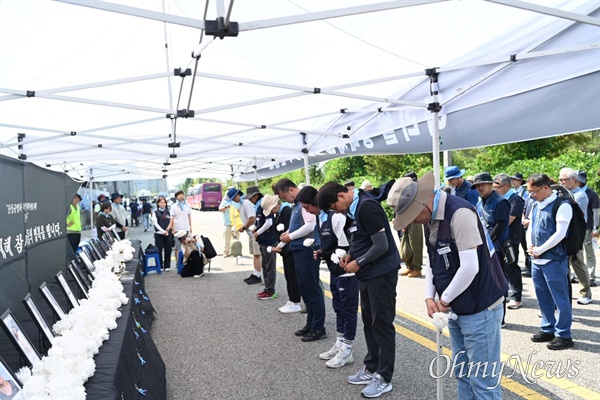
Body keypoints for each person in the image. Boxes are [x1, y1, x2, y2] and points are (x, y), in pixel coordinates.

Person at [388, 172, 507, 399]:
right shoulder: (429, 216)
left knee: (483, 381)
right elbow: (433, 261)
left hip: (480, 307)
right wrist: (429, 296)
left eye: (412, 215)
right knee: (462, 372)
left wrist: (443, 300)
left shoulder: (459, 213)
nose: (412, 221)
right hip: (456, 306)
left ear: (423, 203)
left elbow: (470, 267)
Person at [317, 180, 401, 399]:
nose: (336, 212)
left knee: (381, 323)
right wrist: (351, 255)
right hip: (368, 274)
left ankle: (384, 377)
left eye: (334, 208)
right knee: (370, 322)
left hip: (381, 274)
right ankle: (371, 368)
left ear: (341, 196)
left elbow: (382, 245)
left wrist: (359, 262)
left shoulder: (366, 206)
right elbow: (362, 239)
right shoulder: (355, 209)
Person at [299, 186, 359, 369]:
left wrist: (328, 253)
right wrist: (322, 252)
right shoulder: (321, 217)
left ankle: (347, 350)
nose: (307, 212)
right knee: (338, 308)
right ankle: (340, 344)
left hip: (346, 270)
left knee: (348, 310)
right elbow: (331, 244)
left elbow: (349, 245)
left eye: (308, 208)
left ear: (317, 203)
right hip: (334, 269)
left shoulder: (337, 216)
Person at [527, 173, 574, 350]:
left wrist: (540, 249)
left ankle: (564, 335)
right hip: (536, 260)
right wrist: (531, 247)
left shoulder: (562, 206)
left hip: (554, 260)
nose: (532, 195)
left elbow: (560, 233)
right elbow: (531, 227)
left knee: (560, 299)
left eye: (534, 191)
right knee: (543, 297)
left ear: (546, 188)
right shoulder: (536, 204)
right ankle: (548, 328)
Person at [276, 178, 326, 342]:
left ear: (291, 190)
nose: (285, 200)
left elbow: (310, 226)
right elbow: (297, 226)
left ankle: (318, 327)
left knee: (312, 289)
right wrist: (284, 240)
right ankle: (310, 323)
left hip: (307, 250)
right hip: (298, 249)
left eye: (284, 197)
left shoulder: (304, 202)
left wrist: (290, 236)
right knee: (304, 288)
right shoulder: (297, 205)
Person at [264, 194, 302, 313]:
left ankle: (295, 301)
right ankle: (292, 300)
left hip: (289, 248)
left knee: (292, 276)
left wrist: (280, 246)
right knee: (288, 275)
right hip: (285, 248)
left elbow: (288, 231)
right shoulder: (280, 212)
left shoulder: (286, 211)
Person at [559, 167, 592, 305]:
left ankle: (586, 293)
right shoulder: (562, 193)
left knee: (577, 261)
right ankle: (566, 292)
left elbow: (572, 211)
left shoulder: (580, 195)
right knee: (563, 263)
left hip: (576, 233)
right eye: (560, 179)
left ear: (573, 180)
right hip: (564, 232)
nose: (561, 182)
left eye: (564, 180)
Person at [493, 173, 525, 310]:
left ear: (507, 185)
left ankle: (517, 296)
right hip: (499, 240)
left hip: (510, 240)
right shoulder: (498, 199)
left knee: (511, 266)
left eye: (497, 187)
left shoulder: (515, 199)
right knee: (500, 268)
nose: (495, 189)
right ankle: (503, 295)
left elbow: (509, 219)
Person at [253, 190, 279, 300]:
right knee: (265, 266)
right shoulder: (261, 208)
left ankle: (270, 290)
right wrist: (256, 229)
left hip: (269, 241)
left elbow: (269, 223)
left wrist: (258, 232)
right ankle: (267, 288)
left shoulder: (268, 210)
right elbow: (259, 222)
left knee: (270, 267)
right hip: (263, 241)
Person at [399, 172, 424, 278]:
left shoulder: (418, 190)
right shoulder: (407, 190)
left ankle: (417, 268)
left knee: (415, 244)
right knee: (407, 243)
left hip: (415, 219)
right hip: (407, 219)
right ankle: (410, 267)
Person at [577, 170, 599, 287]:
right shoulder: (574, 192)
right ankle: (578, 275)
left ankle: (591, 276)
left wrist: (595, 227)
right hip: (576, 227)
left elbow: (596, 212)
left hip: (587, 227)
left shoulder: (592, 194)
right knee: (577, 252)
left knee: (589, 252)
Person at [152, 197, 174, 272]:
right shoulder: (155, 213)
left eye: (164, 202)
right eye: (161, 202)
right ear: (158, 203)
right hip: (158, 234)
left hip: (168, 233)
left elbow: (171, 222)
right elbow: (155, 223)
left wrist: (167, 230)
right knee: (159, 250)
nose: (163, 204)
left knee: (168, 249)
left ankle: (167, 266)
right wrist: (162, 231)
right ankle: (160, 266)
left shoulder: (169, 212)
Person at [172, 190, 193, 263]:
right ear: (176, 197)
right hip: (177, 230)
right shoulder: (174, 206)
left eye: (182, 194)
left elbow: (189, 216)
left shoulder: (186, 205)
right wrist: (173, 228)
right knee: (178, 248)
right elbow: (172, 218)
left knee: (187, 246)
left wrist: (190, 227)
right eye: (179, 195)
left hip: (186, 229)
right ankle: (178, 263)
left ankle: (186, 262)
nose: (181, 196)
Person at [219, 192, 235, 257]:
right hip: (227, 222)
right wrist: (226, 207)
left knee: (236, 238)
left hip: (235, 222)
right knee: (226, 238)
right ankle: (226, 251)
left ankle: (235, 252)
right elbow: (220, 209)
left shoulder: (236, 201)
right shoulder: (225, 201)